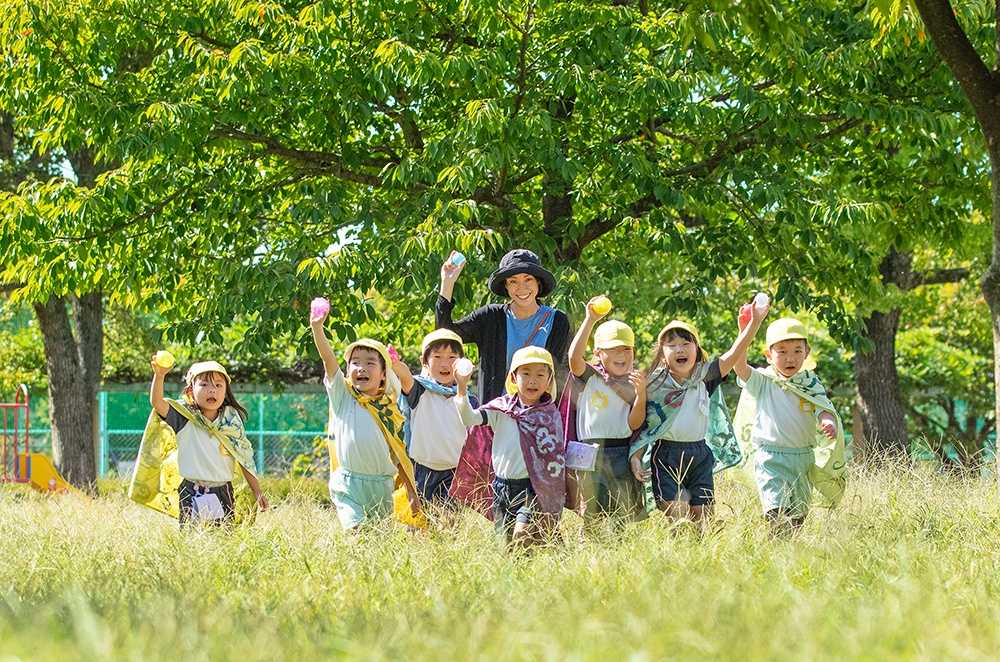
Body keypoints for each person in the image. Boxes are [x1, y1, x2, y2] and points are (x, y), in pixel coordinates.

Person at [628, 311, 765, 524]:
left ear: (697, 350)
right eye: (671, 345)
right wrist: (636, 457)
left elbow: (734, 353)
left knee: (702, 517)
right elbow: (645, 428)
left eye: (685, 343)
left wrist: (753, 323)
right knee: (678, 513)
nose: (679, 349)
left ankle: (698, 551)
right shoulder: (654, 385)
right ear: (662, 354)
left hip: (699, 454)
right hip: (666, 454)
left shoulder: (705, 377)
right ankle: (678, 543)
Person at [309, 306, 423, 530]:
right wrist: (317, 328)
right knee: (356, 530)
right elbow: (328, 360)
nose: (361, 367)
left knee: (378, 539)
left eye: (370, 362)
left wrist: (411, 492)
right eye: (355, 362)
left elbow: (399, 454)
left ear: (383, 375)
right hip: (348, 484)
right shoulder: (343, 396)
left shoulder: (389, 410)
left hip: (382, 485)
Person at [733, 317, 847, 532]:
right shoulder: (763, 380)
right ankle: (775, 545)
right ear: (768, 355)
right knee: (776, 511)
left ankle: (786, 554)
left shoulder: (810, 383)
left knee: (797, 516)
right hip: (770, 456)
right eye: (782, 351)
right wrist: (745, 332)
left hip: (803, 457)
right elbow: (739, 367)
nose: (790, 358)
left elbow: (823, 408)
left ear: (807, 352)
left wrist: (828, 421)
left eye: (797, 350)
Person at [130, 359, 268, 526]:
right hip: (190, 490)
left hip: (222, 491)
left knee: (223, 541)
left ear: (225, 391)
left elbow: (244, 458)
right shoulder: (183, 417)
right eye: (204, 384)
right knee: (191, 540)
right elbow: (158, 403)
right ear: (190, 390)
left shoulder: (231, 421)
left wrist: (257, 491)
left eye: (218, 385)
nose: (212, 390)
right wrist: (159, 376)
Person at [453, 346, 566, 548]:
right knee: (506, 546)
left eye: (541, 374)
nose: (533, 380)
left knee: (522, 534)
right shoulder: (501, 409)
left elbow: (554, 458)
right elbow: (469, 418)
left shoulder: (549, 415)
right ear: (513, 378)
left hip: (533, 488)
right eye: (526, 373)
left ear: (549, 380)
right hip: (502, 487)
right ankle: (523, 575)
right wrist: (462, 388)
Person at [436, 248, 571, 403]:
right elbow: (444, 337)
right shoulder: (490, 317)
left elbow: (561, 374)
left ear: (538, 283)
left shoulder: (558, 321)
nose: (521, 287)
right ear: (506, 286)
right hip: (494, 415)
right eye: (513, 281)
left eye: (528, 279)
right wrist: (447, 282)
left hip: (539, 418)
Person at [563, 297, 647, 528]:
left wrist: (640, 395)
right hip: (589, 452)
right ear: (599, 353)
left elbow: (634, 423)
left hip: (620, 450)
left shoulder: (634, 382)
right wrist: (590, 320)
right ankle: (589, 554)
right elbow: (574, 358)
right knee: (590, 513)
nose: (621, 355)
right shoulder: (592, 376)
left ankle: (617, 557)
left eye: (626, 349)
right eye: (613, 350)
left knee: (621, 513)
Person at [391, 329, 477, 505]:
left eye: (452, 357)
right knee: (419, 523)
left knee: (450, 523)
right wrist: (394, 363)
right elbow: (405, 376)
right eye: (437, 357)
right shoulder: (420, 391)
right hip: (421, 470)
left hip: (455, 473)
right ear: (424, 362)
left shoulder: (468, 399)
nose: (444, 364)